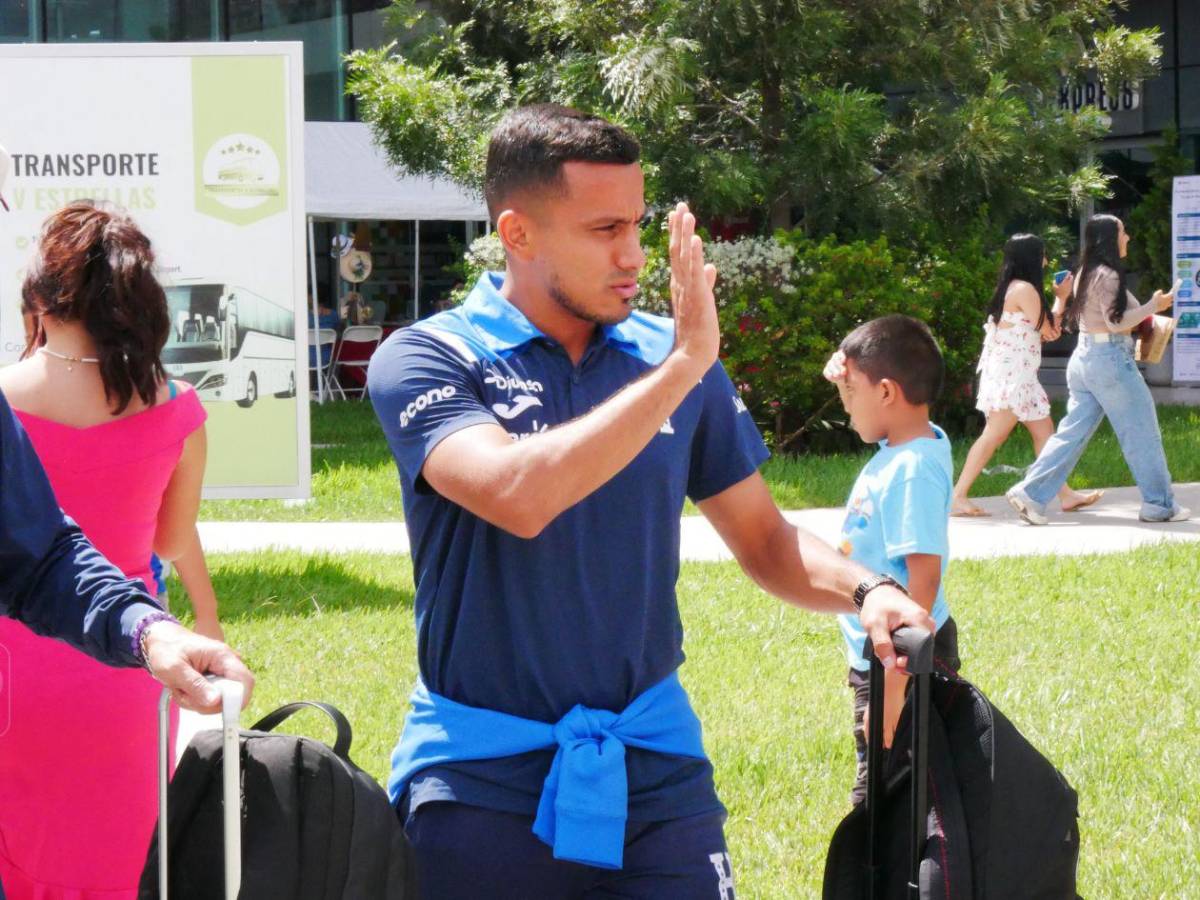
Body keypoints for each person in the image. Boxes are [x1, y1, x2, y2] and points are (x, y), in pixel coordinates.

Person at [367, 104, 933, 900]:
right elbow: (516, 495)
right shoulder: (428, 356)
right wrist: (683, 368)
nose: (633, 255)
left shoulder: (670, 350)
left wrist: (868, 590)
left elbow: (767, 541)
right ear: (518, 234)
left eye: (637, 223)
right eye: (604, 230)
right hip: (478, 776)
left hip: (655, 767)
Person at [0, 200, 222, 898]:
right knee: (114, 869)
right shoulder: (176, 405)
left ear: (37, 296)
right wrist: (194, 617)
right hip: (128, 661)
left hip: (18, 662)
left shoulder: (8, 393)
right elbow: (171, 538)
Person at [821, 317, 962, 805]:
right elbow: (871, 406)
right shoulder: (919, 440)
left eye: (850, 393)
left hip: (901, 652)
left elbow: (922, 580)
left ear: (885, 392)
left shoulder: (910, 471)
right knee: (900, 775)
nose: (846, 406)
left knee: (884, 785)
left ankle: (887, 877)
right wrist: (844, 375)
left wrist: (893, 688)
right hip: (889, 649)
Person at [1006, 214, 1188, 525]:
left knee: (1072, 433)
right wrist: (1152, 308)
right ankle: (1159, 505)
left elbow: (1114, 315)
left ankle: (1030, 494)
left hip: (1085, 358)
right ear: (1109, 238)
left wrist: (1154, 306)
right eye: (1122, 232)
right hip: (1110, 361)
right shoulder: (1109, 276)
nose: (1127, 237)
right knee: (1142, 432)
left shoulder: (1085, 273)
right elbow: (1117, 322)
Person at [951, 234, 1102, 517]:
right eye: (1043, 255)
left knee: (1045, 434)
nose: (1045, 261)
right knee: (993, 435)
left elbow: (1041, 331)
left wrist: (1058, 303)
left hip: (1018, 376)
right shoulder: (1025, 290)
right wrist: (1062, 298)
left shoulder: (1012, 287)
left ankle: (1065, 494)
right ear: (1031, 258)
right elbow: (1049, 331)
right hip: (1014, 378)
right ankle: (958, 496)